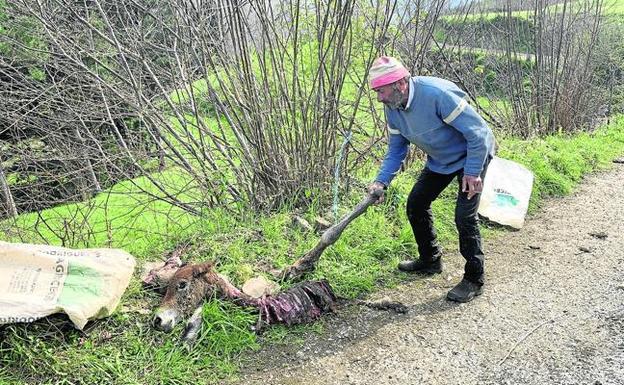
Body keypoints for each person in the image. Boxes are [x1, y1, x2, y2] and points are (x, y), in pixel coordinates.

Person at [367, 56, 496, 303]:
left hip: (473, 156)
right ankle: (430, 260)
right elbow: (396, 150)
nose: (379, 98)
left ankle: (474, 279)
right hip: (441, 160)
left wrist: (472, 172)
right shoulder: (393, 108)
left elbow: (478, 134)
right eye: (376, 92)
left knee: (464, 216)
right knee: (416, 203)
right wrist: (381, 182)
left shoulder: (436, 95)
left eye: (381, 91)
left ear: (400, 84)